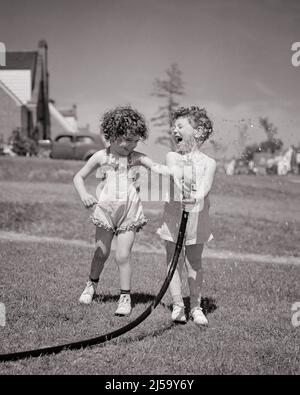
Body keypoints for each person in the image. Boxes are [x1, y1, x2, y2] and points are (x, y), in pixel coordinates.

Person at [73, 105, 170, 316]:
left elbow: (157, 168)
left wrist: (177, 171)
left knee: (123, 256)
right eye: (127, 139)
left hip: (129, 213)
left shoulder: (137, 158)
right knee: (101, 253)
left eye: (135, 140)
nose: (131, 144)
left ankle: (125, 298)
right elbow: (78, 177)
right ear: (113, 135)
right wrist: (84, 195)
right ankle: (91, 286)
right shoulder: (101, 156)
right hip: (106, 212)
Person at [157, 106, 216, 326]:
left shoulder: (209, 163)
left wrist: (196, 198)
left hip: (198, 219)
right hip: (174, 218)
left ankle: (196, 306)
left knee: (194, 263)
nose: (174, 130)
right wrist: (182, 188)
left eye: (180, 126)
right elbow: (175, 173)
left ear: (199, 131)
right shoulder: (172, 156)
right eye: (173, 127)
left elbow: (205, 187)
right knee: (173, 261)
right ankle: (177, 305)